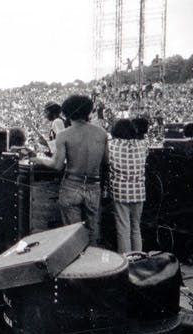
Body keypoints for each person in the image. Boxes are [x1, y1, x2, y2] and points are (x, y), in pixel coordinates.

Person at [32, 94, 108, 245]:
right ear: (89, 111)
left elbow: (57, 165)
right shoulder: (102, 133)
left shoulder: (64, 135)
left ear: (66, 113)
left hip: (71, 185)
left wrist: (38, 159)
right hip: (94, 186)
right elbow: (106, 162)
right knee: (93, 230)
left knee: (72, 233)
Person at [107, 119, 149, 254]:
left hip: (120, 192)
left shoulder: (112, 145)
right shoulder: (143, 145)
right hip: (139, 191)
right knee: (136, 228)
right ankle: (138, 260)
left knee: (123, 229)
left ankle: (126, 263)